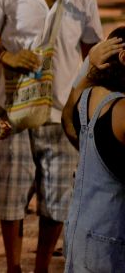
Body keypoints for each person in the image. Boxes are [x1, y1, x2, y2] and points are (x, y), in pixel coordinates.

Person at [0, 0, 103, 273]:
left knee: (57, 200)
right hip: (14, 110)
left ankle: (42, 266)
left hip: (63, 112)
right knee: (11, 198)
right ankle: (14, 266)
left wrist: (88, 100)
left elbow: (92, 48)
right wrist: (7, 56)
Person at [61, 30, 125, 272]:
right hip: (110, 246)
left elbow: (67, 122)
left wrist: (88, 71)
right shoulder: (120, 110)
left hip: (79, 237)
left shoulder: (87, 98)